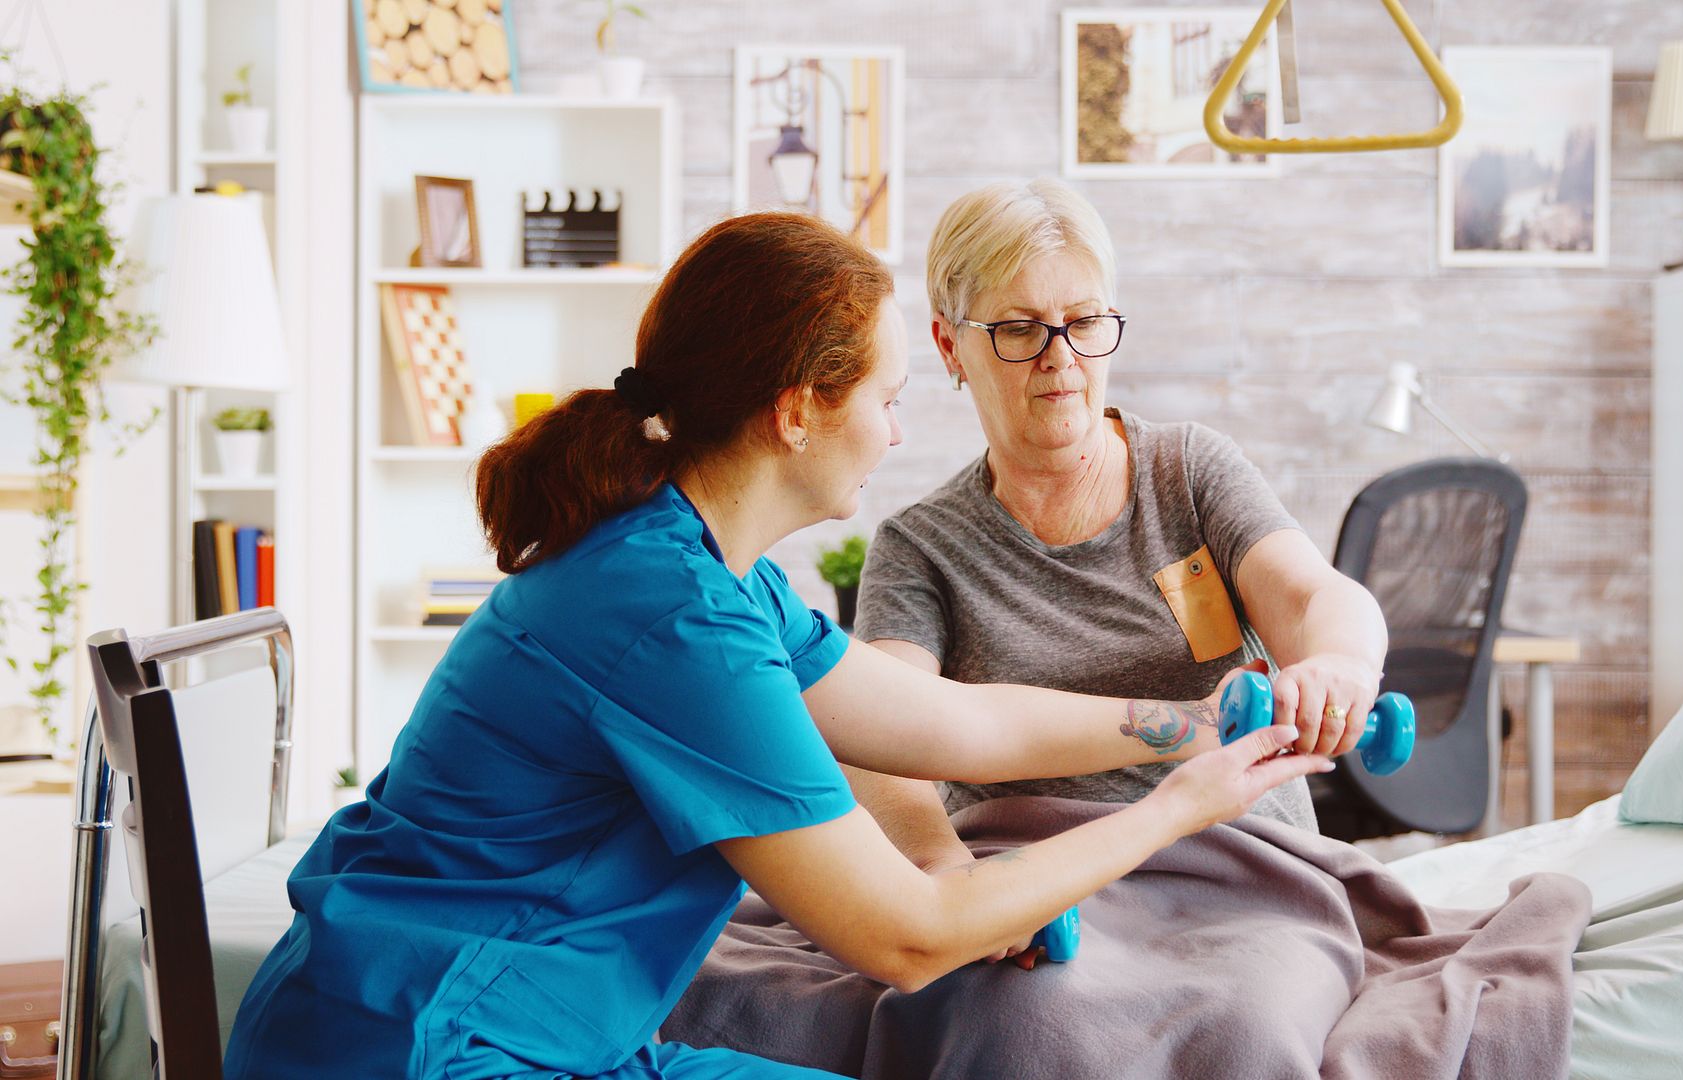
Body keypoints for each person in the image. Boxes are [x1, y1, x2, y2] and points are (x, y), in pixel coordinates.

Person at [222, 211, 1332, 1080]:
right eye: (888, 398)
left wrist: (1191, 727)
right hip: (430, 1050)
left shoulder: (714, 574)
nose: (898, 432)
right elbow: (908, 937)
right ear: (797, 410)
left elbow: (960, 721)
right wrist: (1179, 804)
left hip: (543, 1037)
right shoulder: (670, 617)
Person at [847, 180, 1389, 924]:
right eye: (1019, 329)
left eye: (1084, 321)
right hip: (1043, 890)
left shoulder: (1191, 471)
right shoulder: (921, 548)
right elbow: (886, 736)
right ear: (951, 346)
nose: (1059, 357)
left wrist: (1343, 663)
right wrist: (946, 873)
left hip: (1239, 871)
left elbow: (1308, 595)